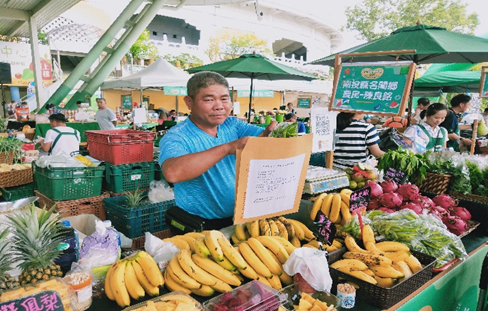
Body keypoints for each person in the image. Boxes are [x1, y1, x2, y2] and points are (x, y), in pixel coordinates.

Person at [159, 71, 276, 230]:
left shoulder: (233, 125)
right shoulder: (177, 136)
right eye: (209, 99)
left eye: (224, 99)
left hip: (240, 218)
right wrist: (227, 148)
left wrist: (274, 133)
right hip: (199, 225)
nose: (219, 106)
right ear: (189, 102)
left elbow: (264, 140)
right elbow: (172, 172)